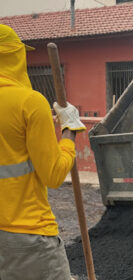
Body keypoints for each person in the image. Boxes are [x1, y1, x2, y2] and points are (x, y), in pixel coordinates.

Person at [0, 24, 86, 280]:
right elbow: (54, 174)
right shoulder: (29, 101)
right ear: (14, 56)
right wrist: (69, 130)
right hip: (29, 237)